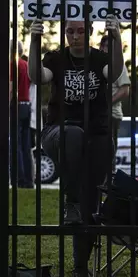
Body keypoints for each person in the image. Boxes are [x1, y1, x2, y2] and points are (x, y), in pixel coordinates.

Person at [29, 17, 123, 277]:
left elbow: (113, 73)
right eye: (70, 31)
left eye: (81, 31)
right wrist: (34, 40)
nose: (75, 35)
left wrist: (117, 40)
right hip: (59, 131)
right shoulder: (56, 58)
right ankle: (71, 200)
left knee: (91, 202)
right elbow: (37, 76)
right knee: (73, 134)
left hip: (97, 135)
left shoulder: (99, 59)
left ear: (90, 32)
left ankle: (81, 266)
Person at [9, 40, 34, 189]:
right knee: (25, 145)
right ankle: (28, 180)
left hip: (16, 105)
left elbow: (11, 88)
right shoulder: (25, 64)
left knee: (15, 144)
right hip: (27, 105)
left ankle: (18, 179)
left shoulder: (13, 64)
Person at [99, 35, 131, 151]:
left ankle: (110, 169)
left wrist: (105, 103)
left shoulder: (118, 65)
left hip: (110, 115)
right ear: (101, 47)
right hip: (94, 114)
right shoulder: (95, 64)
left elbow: (124, 91)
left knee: (107, 151)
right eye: (107, 46)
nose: (108, 49)